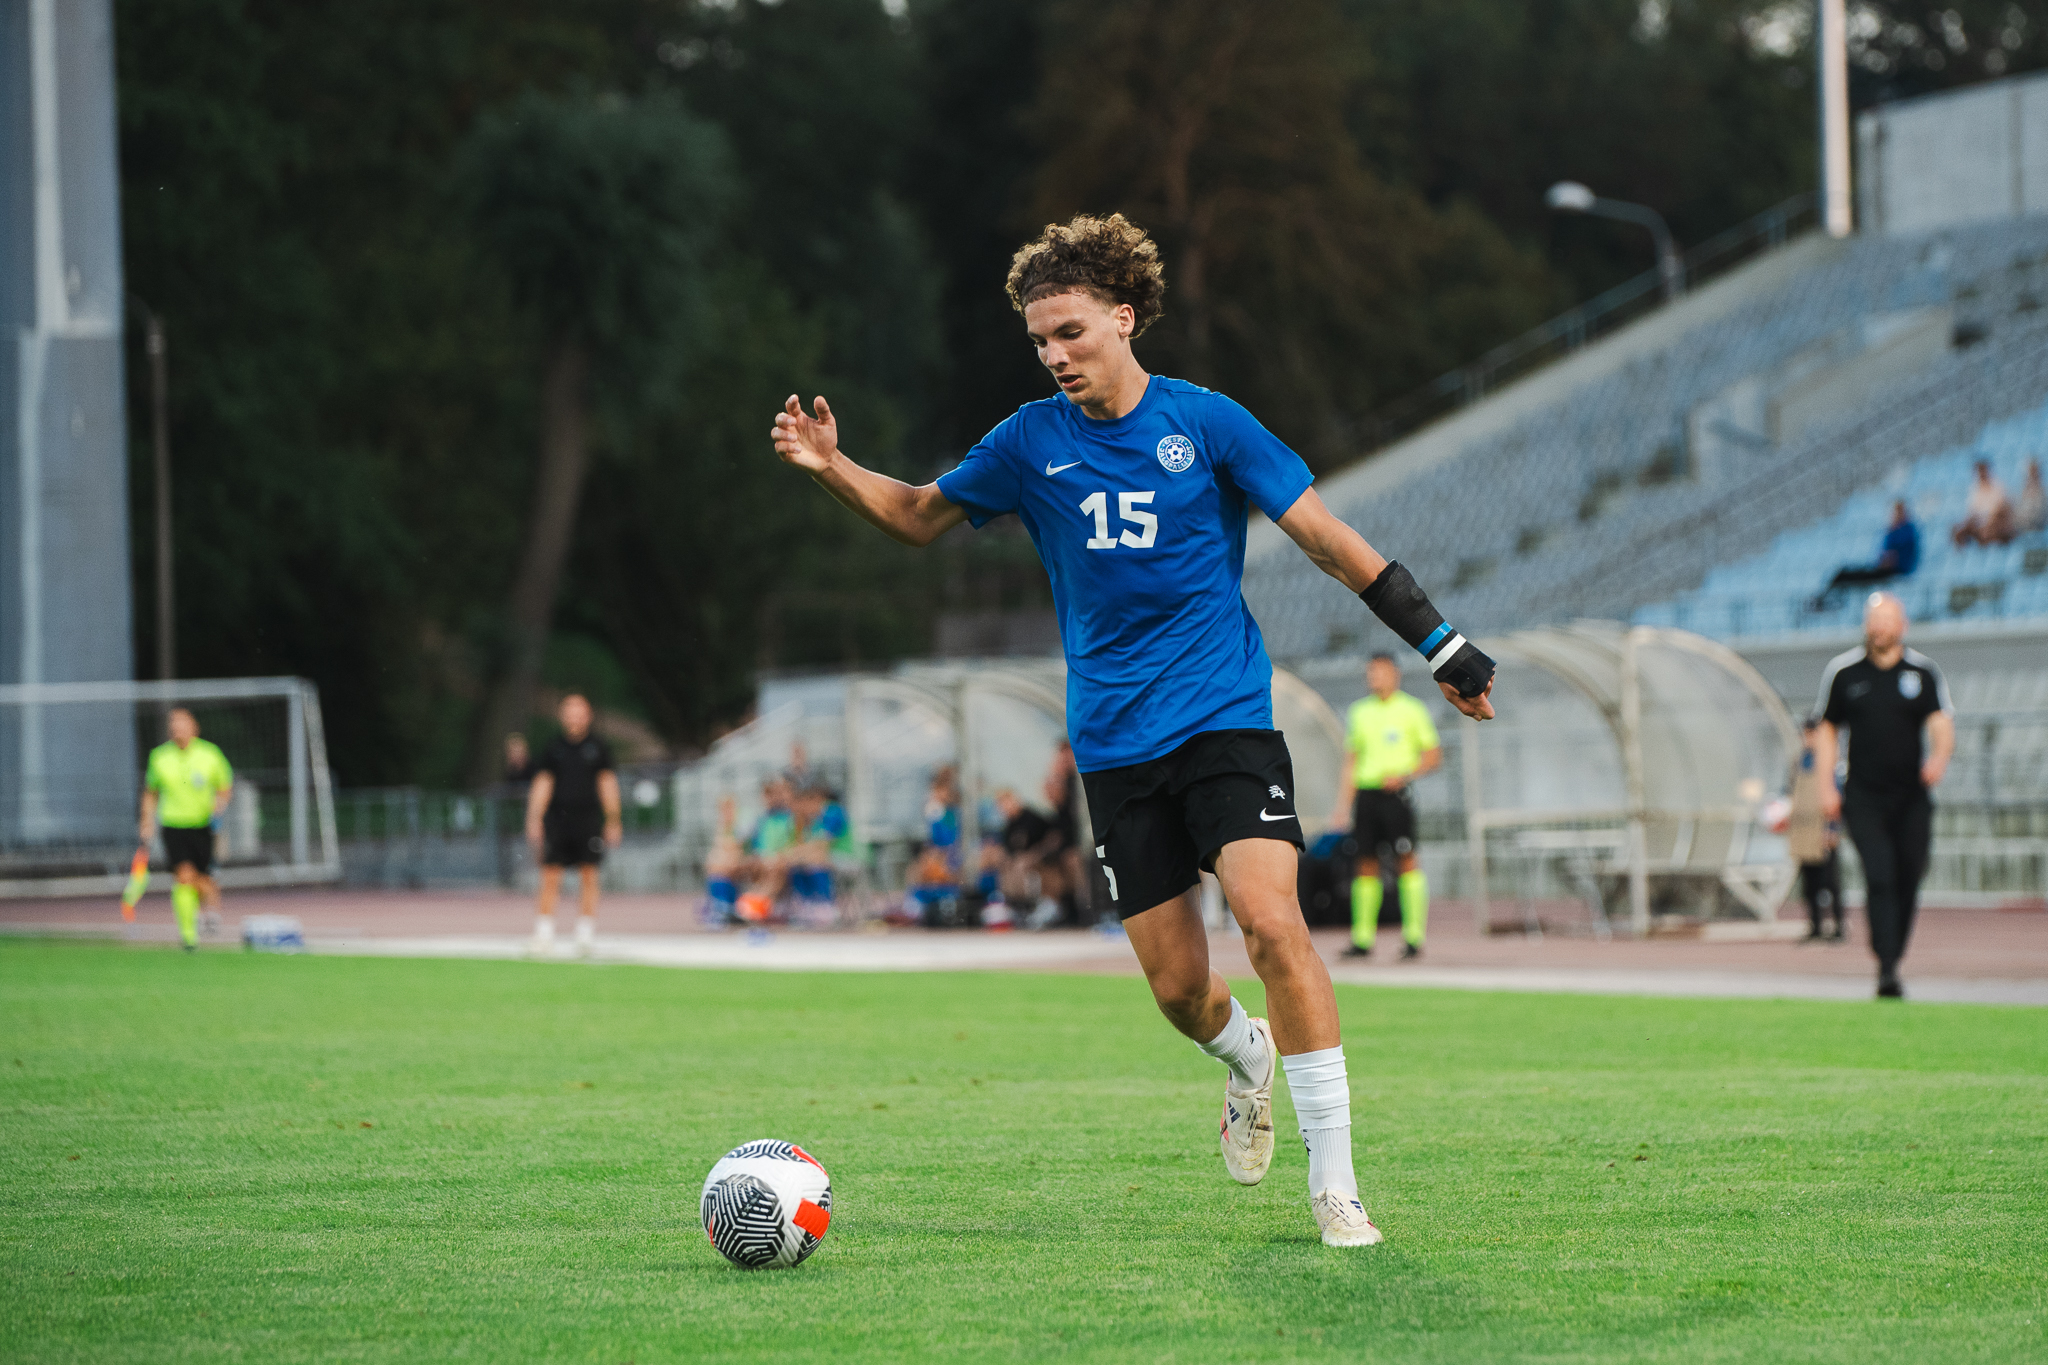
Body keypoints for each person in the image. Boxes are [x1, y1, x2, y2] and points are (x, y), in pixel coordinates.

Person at [769, 212, 1495, 1247]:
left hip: (1224, 718)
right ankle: (1244, 1056)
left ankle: (1334, 1183)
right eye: (1039, 342)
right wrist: (834, 466)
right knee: (1179, 991)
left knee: (1272, 924)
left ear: (1123, 317)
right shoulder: (1027, 443)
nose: (1055, 355)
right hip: (1114, 745)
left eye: (1070, 332)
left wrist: (1441, 644)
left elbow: (1328, 541)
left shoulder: (1208, 424)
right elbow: (918, 516)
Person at [1812, 593, 1954, 999]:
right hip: (1864, 797)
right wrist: (1825, 786)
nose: (1881, 628)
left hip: (1911, 797)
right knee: (1879, 875)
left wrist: (1939, 758)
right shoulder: (1844, 673)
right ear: (1866, 626)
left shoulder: (1922, 673)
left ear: (1902, 626)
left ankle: (1892, 953)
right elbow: (1827, 730)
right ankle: (1887, 966)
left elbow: (1941, 722)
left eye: (1888, 620)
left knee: (1909, 874)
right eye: (1875, 621)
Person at [1337, 654, 1442, 960]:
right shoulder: (1359, 712)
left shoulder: (1412, 709)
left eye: (1380, 672)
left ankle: (1413, 938)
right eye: (1371, 672)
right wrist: (1342, 806)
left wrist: (1405, 774)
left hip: (1397, 797)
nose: (1375, 678)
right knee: (1365, 863)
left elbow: (1433, 756)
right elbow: (1351, 761)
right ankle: (1362, 939)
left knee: (1406, 860)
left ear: (1395, 674)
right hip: (1367, 796)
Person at [524, 693, 622, 957]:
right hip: (558, 820)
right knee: (550, 875)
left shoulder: (598, 747)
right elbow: (543, 783)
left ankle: (585, 934)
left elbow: (607, 783)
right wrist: (534, 817)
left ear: (588, 716)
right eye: (570, 713)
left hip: (588, 820)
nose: (575, 718)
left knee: (589, 875)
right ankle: (544, 933)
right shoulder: (553, 747)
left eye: (579, 713)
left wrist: (613, 819)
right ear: (562, 716)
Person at [138, 707, 234, 951]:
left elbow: (224, 785)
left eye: (182, 724)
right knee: (183, 876)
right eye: (174, 725)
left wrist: (220, 803)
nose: (177, 729)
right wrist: (147, 821)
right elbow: (151, 792)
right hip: (173, 825)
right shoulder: (160, 757)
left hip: (202, 825)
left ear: (194, 728)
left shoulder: (210, 754)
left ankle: (208, 912)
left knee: (203, 879)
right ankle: (189, 935)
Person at [1785, 717, 1844, 943]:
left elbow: (1837, 796)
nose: (1808, 739)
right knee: (1809, 884)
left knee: (1830, 882)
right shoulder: (1798, 762)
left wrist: (1832, 828)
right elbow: (1790, 793)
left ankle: (1837, 926)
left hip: (1823, 830)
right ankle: (1815, 926)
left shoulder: (1829, 762)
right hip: (1803, 831)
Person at [1815, 501, 1919, 607]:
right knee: (1844, 573)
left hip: (1895, 570)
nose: (1895, 515)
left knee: (1849, 576)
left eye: (1898, 511)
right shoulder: (1893, 531)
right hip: (1883, 568)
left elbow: (1895, 556)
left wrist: (1889, 561)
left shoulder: (1907, 530)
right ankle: (1827, 600)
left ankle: (1827, 602)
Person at [1951, 459, 2014, 546]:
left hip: (1995, 522)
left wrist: (1989, 521)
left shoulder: (1998, 486)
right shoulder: (1975, 489)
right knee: (1958, 530)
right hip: (1980, 522)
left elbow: (2002, 509)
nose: (1981, 474)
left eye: (1983, 471)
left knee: (1990, 529)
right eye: (1979, 472)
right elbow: (1972, 512)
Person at [2015, 458, 2046, 536]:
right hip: (2024, 525)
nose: (2033, 475)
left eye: (2035, 471)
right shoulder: (2022, 492)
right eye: (2031, 472)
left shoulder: (2044, 492)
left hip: (2040, 524)